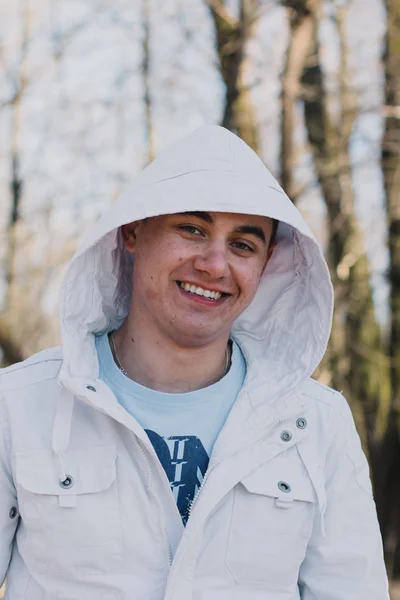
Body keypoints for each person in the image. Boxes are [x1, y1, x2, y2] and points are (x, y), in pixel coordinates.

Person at [0, 125, 388, 600]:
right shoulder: (19, 406)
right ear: (132, 231)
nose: (213, 264)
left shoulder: (316, 423)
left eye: (243, 245)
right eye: (192, 229)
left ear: (265, 266)